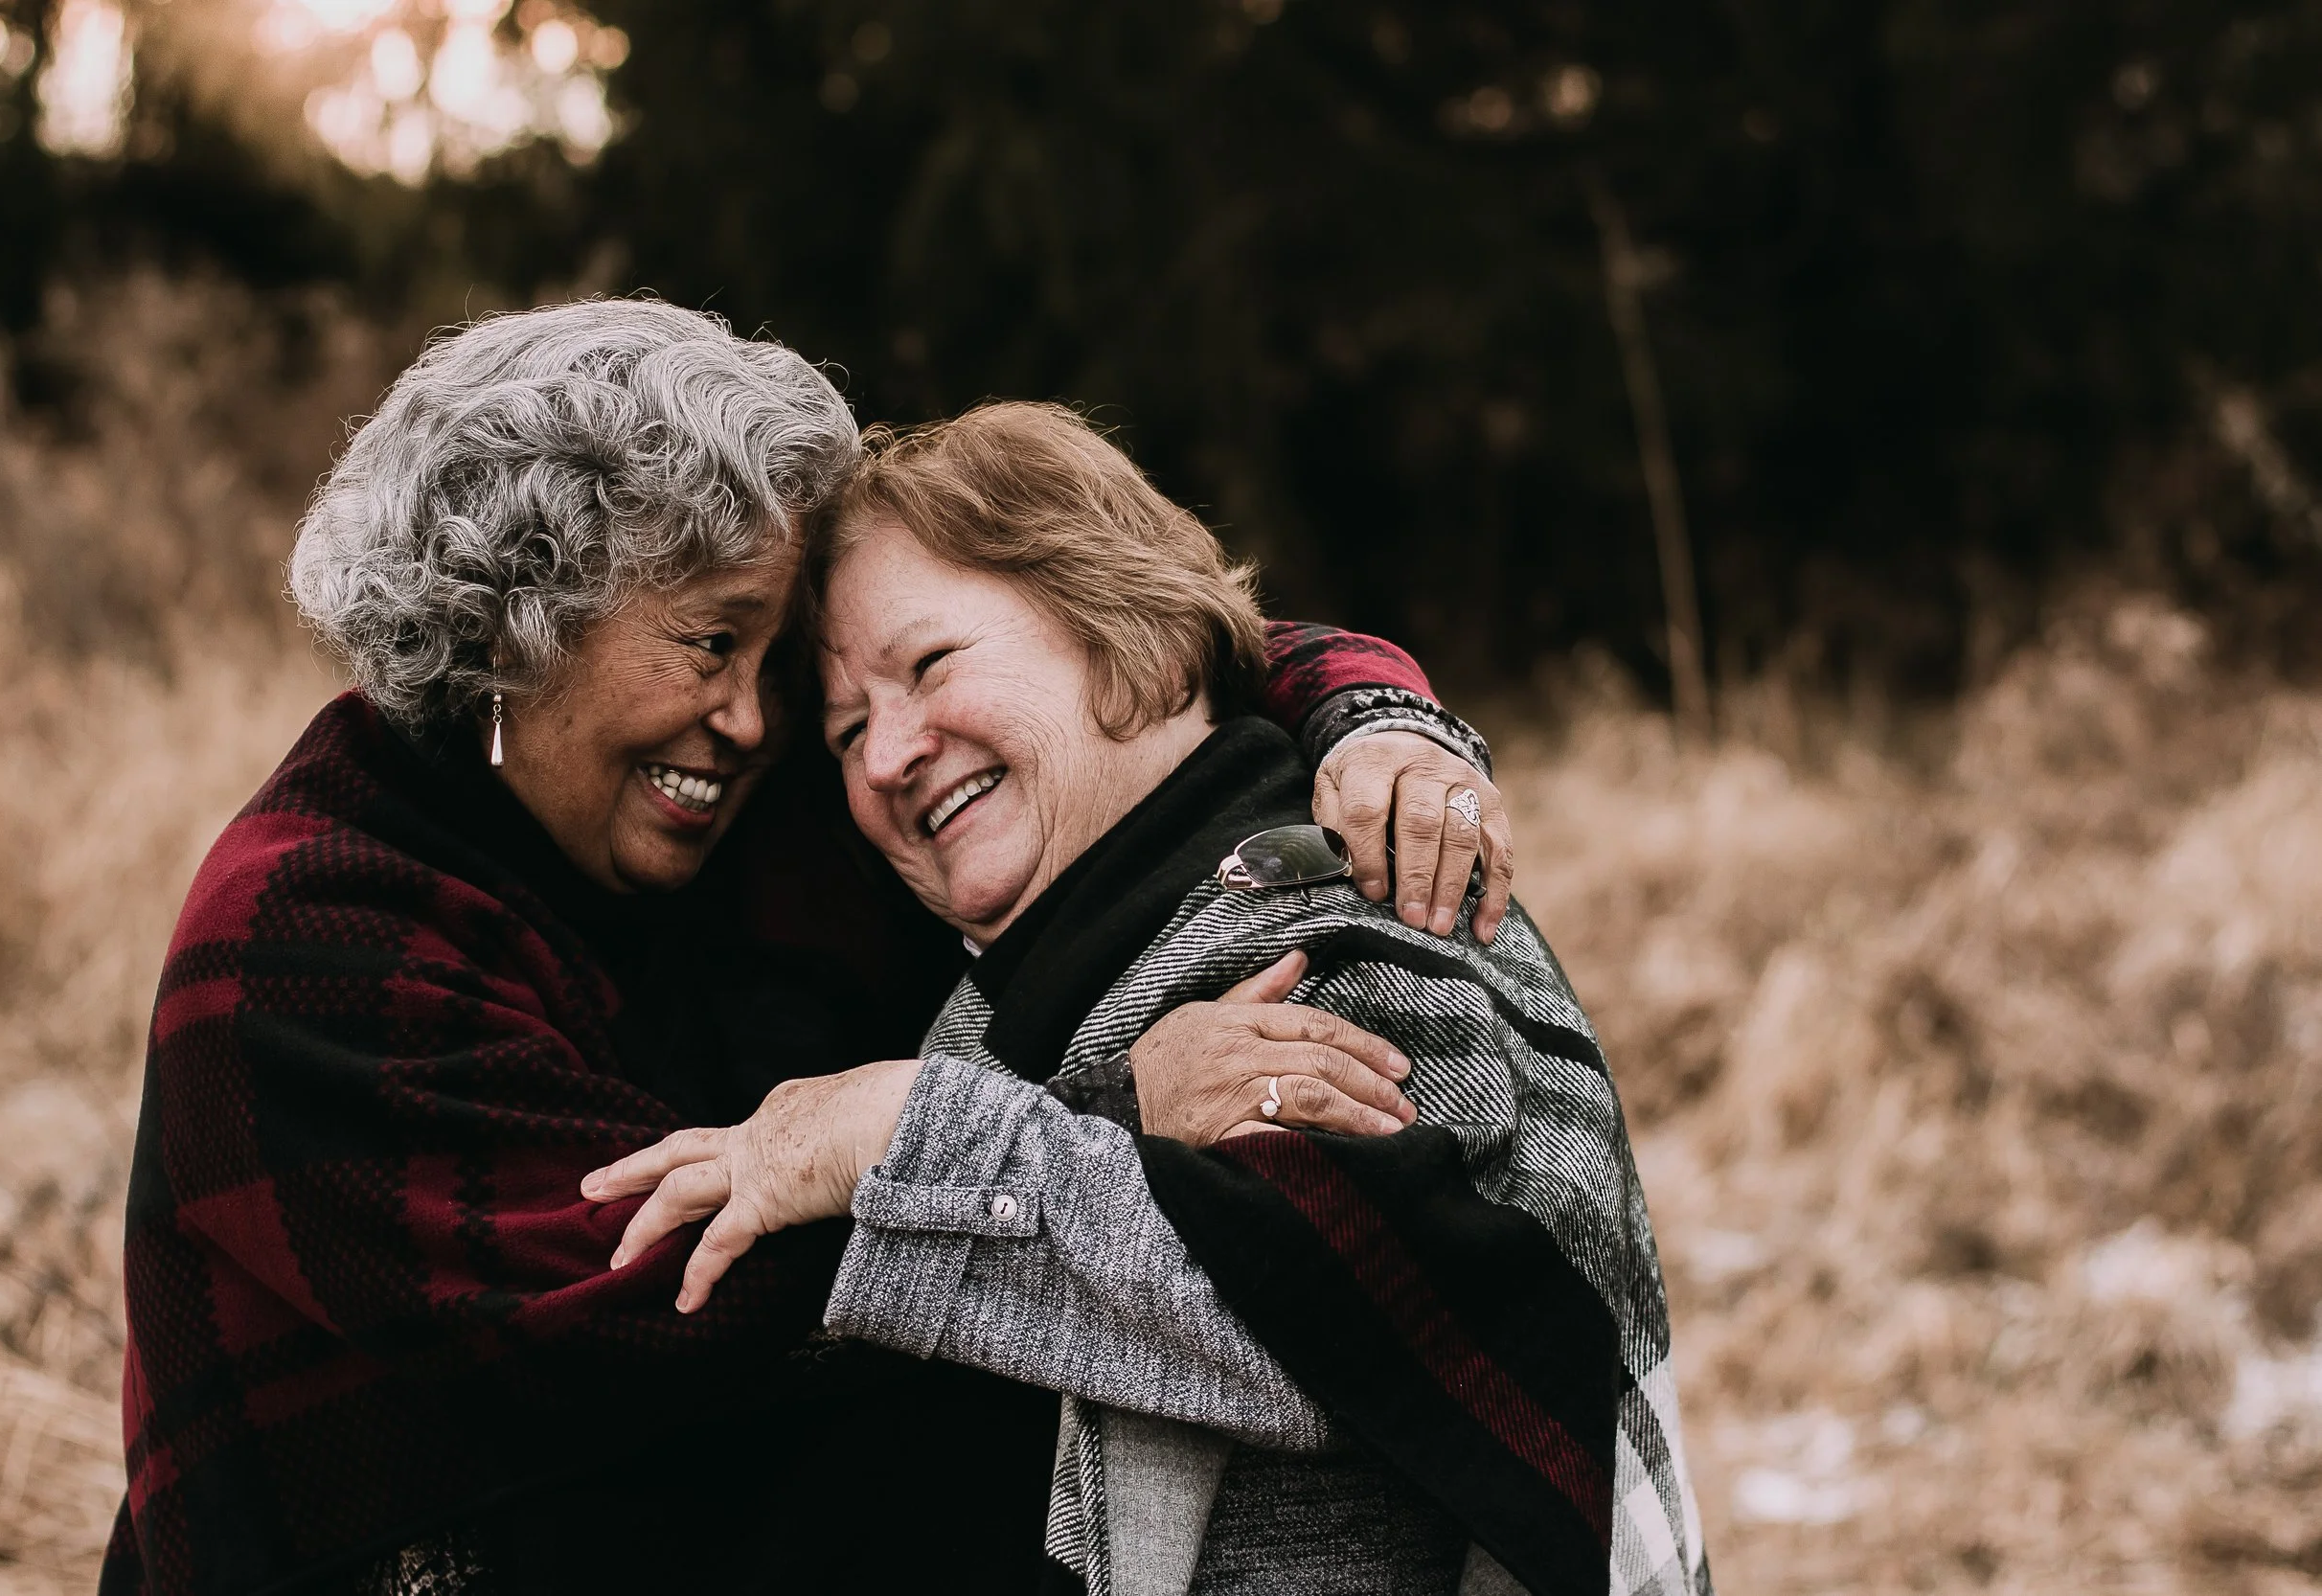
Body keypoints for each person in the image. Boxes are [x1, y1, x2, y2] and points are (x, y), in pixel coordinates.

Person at [102, 301, 1515, 1596]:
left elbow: (1139, 631)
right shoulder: (303, 945)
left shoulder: (743, 791)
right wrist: (1113, 1115)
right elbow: (672, 1302)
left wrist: (1374, 713)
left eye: (775, 662)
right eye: (709, 642)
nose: (754, 720)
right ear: (514, 631)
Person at [593, 401, 1707, 1596]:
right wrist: (1100, 1109)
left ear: (1141, 641)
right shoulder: (1032, 981)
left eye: (930, 666)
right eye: (850, 726)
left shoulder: (1351, 906)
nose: (884, 757)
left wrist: (890, 1136)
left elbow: (1378, 1324)